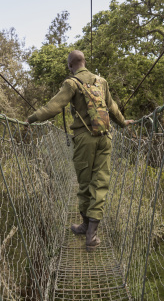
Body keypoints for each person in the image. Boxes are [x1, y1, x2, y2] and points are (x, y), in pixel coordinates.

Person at [26, 50, 133, 251]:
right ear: (84, 62)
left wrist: (30, 119)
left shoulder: (71, 83)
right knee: (100, 183)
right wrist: (123, 123)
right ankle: (91, 233)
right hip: (106, 137)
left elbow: (53, 107)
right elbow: (112, 107)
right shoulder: (102, 81)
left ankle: (86, 226)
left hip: (85, 139)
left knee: (84, 183)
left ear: (70, 66)